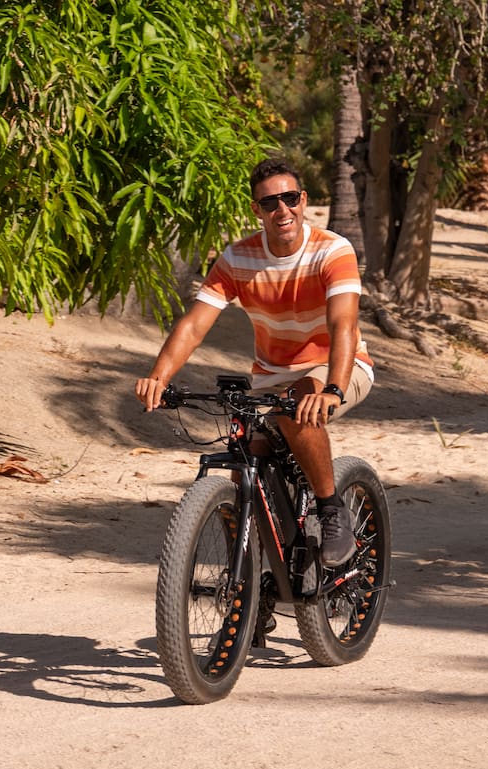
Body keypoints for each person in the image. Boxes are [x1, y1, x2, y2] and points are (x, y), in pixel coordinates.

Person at [134, 158, 373, 565]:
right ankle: (251, 586)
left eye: (289, 198)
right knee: (246, 464)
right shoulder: (238, 259)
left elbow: (343, 325)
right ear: (256, 210)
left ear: (304, 200)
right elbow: (194, 326)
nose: (282, 210)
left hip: (338, 367)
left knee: (299, 410)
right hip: (270, 378)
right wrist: (158, 377)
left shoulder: (332, 250)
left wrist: (332, 389)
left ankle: (331, 509)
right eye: (269, 203)